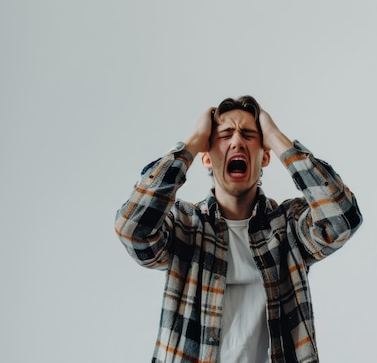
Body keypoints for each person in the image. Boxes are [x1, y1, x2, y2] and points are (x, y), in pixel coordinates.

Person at [115, 95, 363, 363]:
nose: (236, 141)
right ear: (207, 159)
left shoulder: (289, 227)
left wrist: (275, 136)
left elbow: (343, 219)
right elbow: (132, 229)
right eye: (224, 135)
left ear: (265, 156)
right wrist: (191, 144)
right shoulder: (184, 226)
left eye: (248, 135)